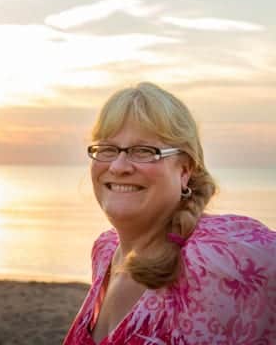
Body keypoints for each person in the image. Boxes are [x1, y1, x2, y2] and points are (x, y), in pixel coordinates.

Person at [62, 82, 275, 344]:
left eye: (143, 151)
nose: (118, 166)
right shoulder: (105, 251)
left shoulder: (219, 256)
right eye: (107, 149)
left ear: (184, 170)